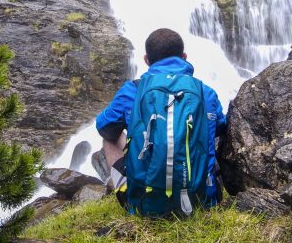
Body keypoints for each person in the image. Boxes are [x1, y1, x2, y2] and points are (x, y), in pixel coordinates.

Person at [95, 28, 227, 206]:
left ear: (146, 60)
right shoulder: (205, 93)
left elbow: (103, 126)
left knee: (110, 136)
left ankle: (130, 189)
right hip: (202, 202)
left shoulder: (132, 91)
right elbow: (221, 127)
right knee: (206, 131)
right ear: (184, 57)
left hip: (143, 204)